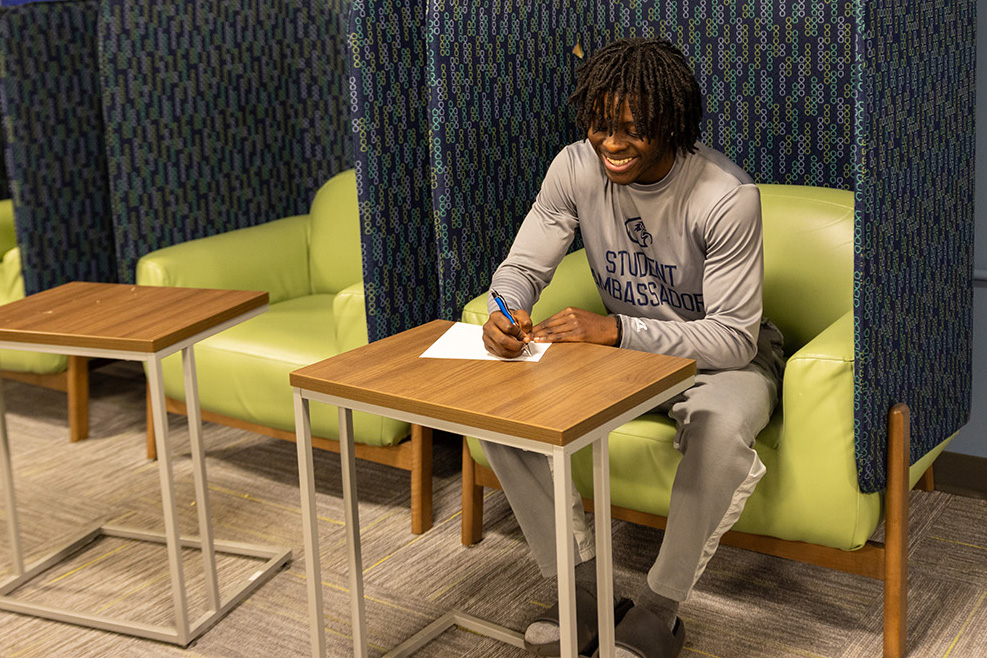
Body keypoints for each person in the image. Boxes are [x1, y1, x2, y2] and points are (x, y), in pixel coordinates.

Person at [481, 38, 785, 658]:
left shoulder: (726, 195)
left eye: (631, 130)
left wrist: (619, 330)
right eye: (599, 126)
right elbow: (523, 265)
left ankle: (657, 611)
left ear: (671, 123)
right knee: (498, 405)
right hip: (621, 352)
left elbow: (733, 336)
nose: (611, 144)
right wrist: (506, 307)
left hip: (718, 358)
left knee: (719, 425)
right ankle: (586, 590)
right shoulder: (574, 167)